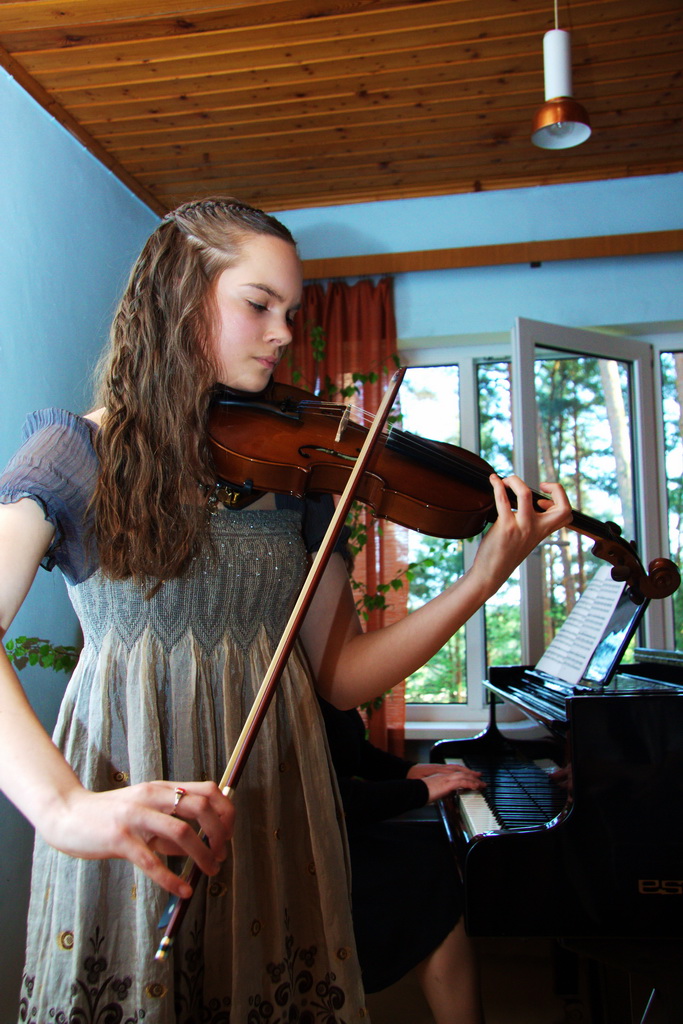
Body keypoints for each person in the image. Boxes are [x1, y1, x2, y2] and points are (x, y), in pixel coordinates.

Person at [0, 197, 572, 1024]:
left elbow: (341, 678)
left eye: (291, 314)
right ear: (177, 298)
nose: (282, 335)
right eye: (258, 304)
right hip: (130, 782)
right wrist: (61, 807)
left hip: (275, 799)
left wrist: (480, 580)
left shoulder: (297, 481)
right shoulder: (75, 453)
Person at [319, 697, 486, 1023]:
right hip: (313, 850)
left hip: (338, 833)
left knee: (437, 846)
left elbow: (347, 749)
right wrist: (421, 790)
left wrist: (408, 770)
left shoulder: (323, 687)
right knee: (431, 866)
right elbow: (335, 798)